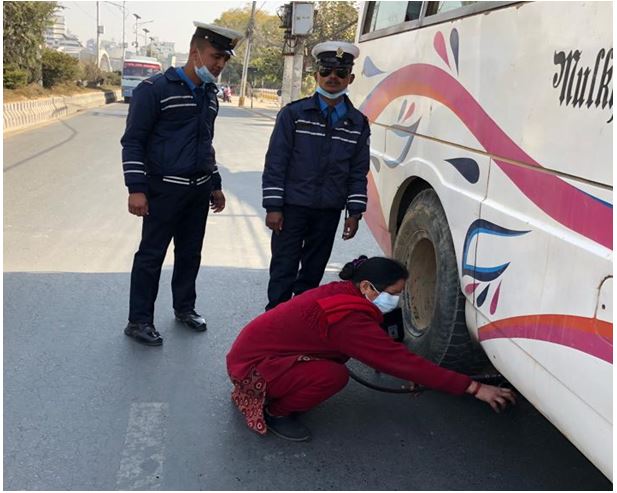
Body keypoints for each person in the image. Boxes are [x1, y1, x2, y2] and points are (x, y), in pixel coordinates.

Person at [226, 256, 516, 442]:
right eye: (393, 294)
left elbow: (386, 347)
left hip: (256, 354)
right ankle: (278, 411)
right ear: (367, 287)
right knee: (332, 376)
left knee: (333, 369)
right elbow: (394, 358)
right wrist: (475, 388)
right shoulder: (347, 318)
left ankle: (285, 389)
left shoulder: (345, 294)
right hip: (253, 368)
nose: (397, 300)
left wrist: (409, 367)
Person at [120, 22, 243, 346]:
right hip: (163, 191)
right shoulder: (154, 89)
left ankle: (184, 308)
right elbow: (133, 142)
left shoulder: (209, 94)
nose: (219, 65)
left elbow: (206, 144)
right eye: (215, 56)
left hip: (198, 189)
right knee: (151, 255)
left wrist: (214, 183)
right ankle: (139, 320)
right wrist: (137, 188)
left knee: (190, 253)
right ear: (195, 52)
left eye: (224, 60)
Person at [261, 41, 371, 310]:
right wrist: (274, 206)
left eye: (341, 72)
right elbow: (276, 162)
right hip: (291, 208)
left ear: (350, 78)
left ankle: (300, 324)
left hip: (328, 210)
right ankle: (274, 322)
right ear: (316, 75)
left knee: (312, 273)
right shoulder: (294, 115)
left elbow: (358, 170)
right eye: (327, 70)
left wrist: (354, 212)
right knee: (283, 269)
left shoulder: (357, 123)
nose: (333, 77)